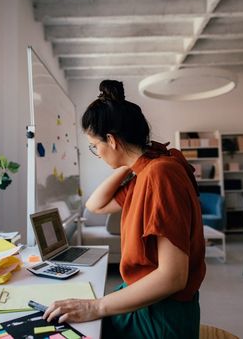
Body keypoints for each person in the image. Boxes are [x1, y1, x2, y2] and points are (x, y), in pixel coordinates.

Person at [43, 80, 206, 338]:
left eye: (95, 146)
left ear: (111, 139)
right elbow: (96, 204)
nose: (97, 153)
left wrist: (95, 307)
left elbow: (173, 277)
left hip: (161, 317)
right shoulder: (145, 172)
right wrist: (130, 162)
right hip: (149, 303)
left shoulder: (160, 174)